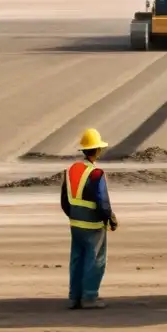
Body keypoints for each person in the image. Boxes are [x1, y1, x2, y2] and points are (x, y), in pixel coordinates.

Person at [60, 128, 118, 310]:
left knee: (77, 259)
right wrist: (110, 218)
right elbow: (102, 201)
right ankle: (90, 297)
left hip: (75, 224)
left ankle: (74, 297)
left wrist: (74, 215)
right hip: (93, 225)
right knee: (95, 259)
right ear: (98, 150)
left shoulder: (71, 171)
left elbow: (64, 200)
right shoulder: (96, 173)